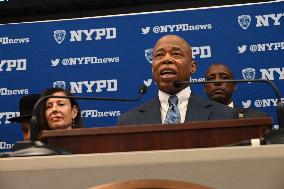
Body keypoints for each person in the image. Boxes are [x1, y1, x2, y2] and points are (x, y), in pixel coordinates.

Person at [118, 35, 237, 125]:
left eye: (176, 54)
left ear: (192, 67)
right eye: (159, 55)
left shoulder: (224, 115)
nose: (166, 59)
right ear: (152, 68)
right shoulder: (129, 121)